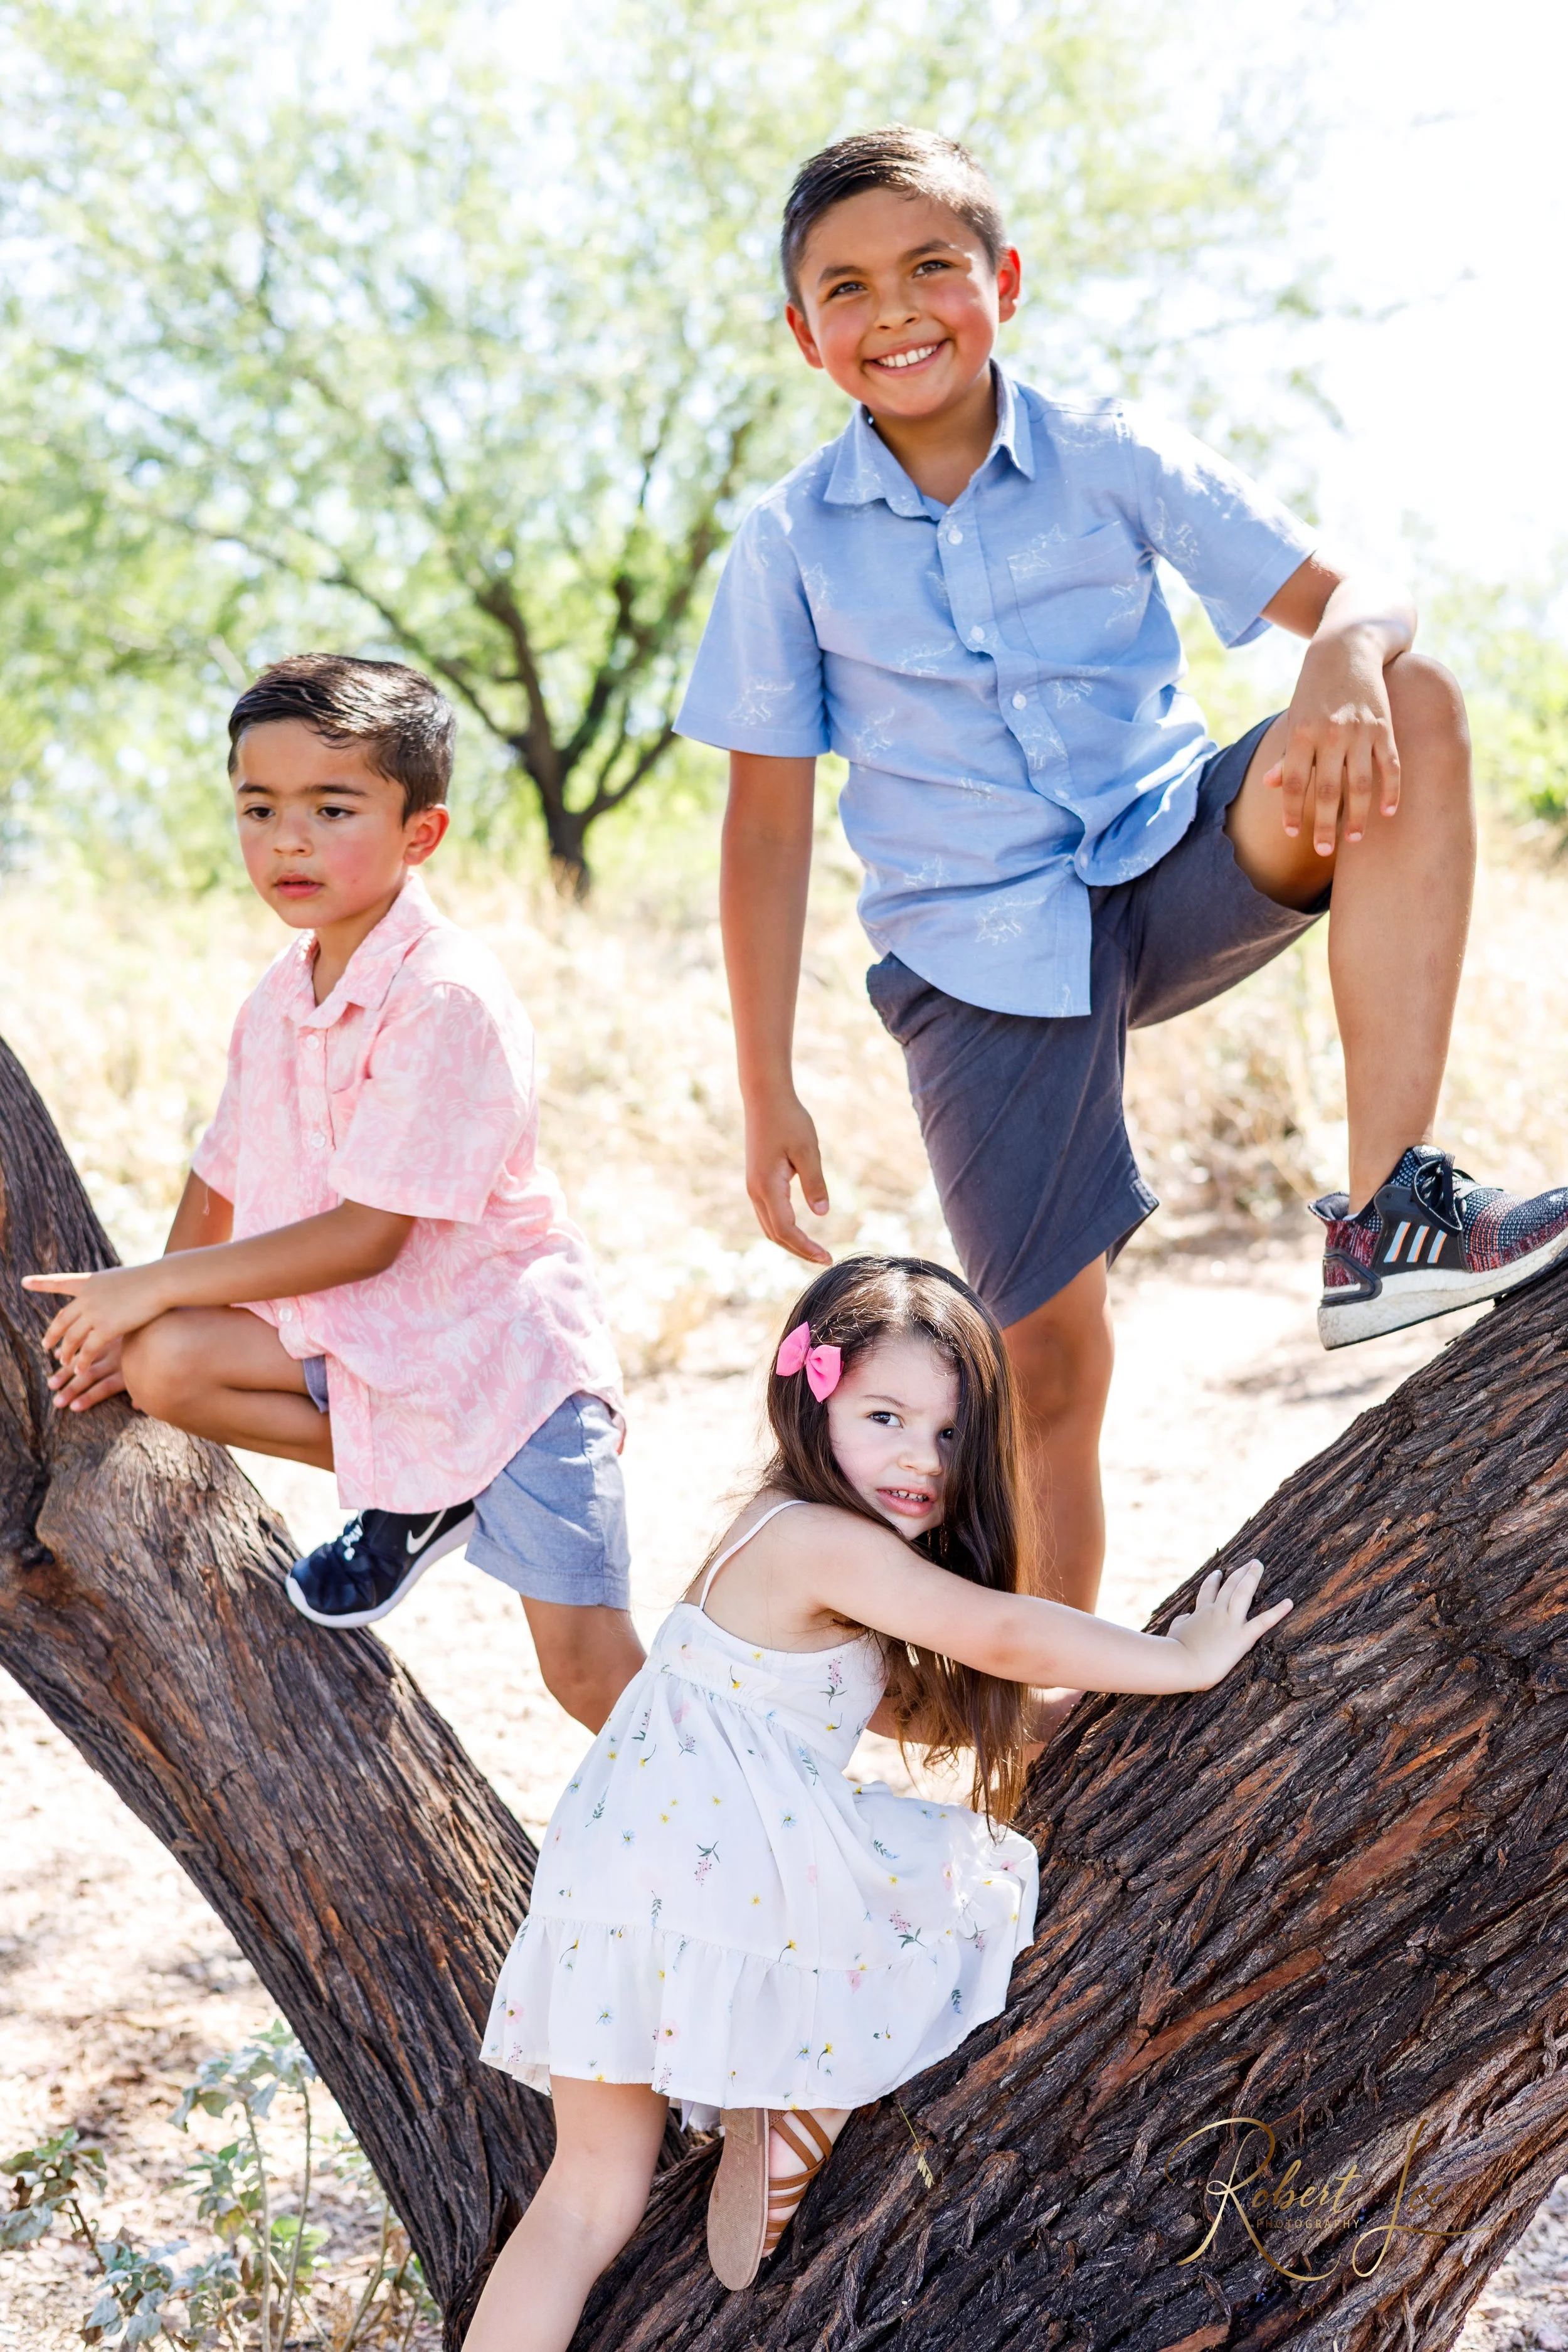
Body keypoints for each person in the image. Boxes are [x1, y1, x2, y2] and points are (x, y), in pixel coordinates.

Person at [676, 125, 1568, 1617]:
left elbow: (1363, 588)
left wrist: (1344, 641)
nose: (892, 311)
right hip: (974, 959)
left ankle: (1391, 1214)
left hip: (1171, 859)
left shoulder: (1106, 453)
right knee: (1047, 1373)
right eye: (846, 288)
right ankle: (1035, 1725)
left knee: (1411, 692)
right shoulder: (786, 544)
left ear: (1002, 282)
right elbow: (762, 829)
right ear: (801, 333)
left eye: (930, 269)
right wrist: (767, 1084)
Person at [469, 1256, 1290, 2348]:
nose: (919, 1455)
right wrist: (1176, 1658)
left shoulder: (771, 1530)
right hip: (722, 1865)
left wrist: (1030, 1721)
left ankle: (783, 2090)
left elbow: (871, 1700)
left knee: (585, 2201)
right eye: (886, 1415)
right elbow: (994, 1631)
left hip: (610, 1875)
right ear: (810, 1400)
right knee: (960, 1878)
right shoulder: (826, 1540)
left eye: (948, 1435)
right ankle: (804, 2078)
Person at [24, 655, 644, 1734]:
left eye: (331, 806)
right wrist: (146, 1305)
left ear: (422, 834)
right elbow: (220, 1172)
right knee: (167, 1359)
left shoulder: (446, 993)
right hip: (372, 1347)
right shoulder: (279, 994)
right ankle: (424, 1487)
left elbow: (366, 1236)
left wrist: (147, 1286)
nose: (288, 840)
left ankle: (776, 1814)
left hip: (502, 1365)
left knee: (590, 1674)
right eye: (259, 808)